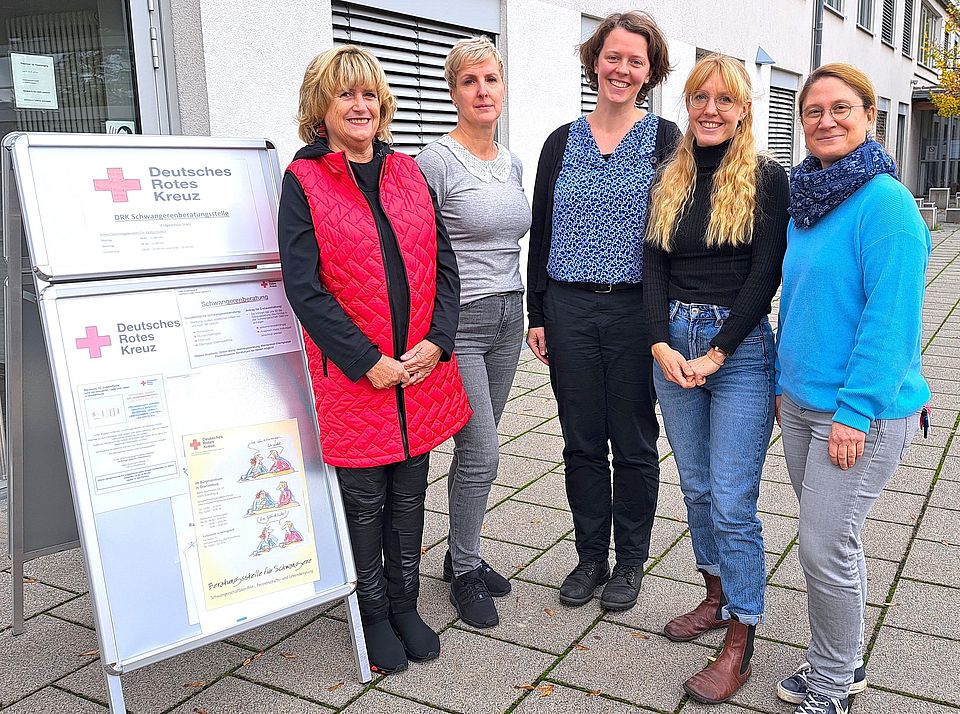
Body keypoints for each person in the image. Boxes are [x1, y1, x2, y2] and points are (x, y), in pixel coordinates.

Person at [278, 45, 472, 675]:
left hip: (416, 369)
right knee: (365, 501)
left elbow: (444, 264)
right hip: (355, 377)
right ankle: (371, 613)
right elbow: (304, 287)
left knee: (410, 493)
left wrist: (437, 342)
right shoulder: (303, 180)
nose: (360, 106)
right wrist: (367, 361)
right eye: (346, 95)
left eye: (369, 95)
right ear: (321, 106)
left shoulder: (408, 171)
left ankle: (406, 603)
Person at [774, 63, 931, 714]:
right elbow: (806, 302)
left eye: (842, 108)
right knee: (835, 541)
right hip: (803, 403)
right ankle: (845, 659)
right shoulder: (808, 199)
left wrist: (854, 413)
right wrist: (784, 385)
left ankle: (833, 687)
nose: (826, 120)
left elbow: (889, 318)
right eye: (813, 111)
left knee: (821, 545)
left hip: (855, 413)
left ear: (870, 117)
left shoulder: (885, 203)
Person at [643, 54, 789, 703]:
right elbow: (651, 268)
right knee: (698, 487)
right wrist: (658, 344)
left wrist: (718, 353)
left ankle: (741, 639)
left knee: (732, 500)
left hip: (740, 352)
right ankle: (715, 595)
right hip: (673, 345)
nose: (710, 108)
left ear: (743, 109)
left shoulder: (765, 177)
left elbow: (766, 273)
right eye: (700, 97)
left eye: (724, 100)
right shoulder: (667, 176)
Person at [527, 11, 680, 612]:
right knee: (582, 439)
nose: (621, 69)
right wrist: (537, 311)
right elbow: (542, 230)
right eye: (612, 56)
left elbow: (670, 234)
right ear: (595, 61)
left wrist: (662, 320)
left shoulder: (667, 140)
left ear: (650, 72)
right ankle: (590, 556)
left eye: (634, 61)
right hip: (568, 307)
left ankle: (631, 562)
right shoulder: (561, 140)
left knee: (636, 440)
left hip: (633, 312)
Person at [416, 36, 531, 629]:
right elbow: (416, 248)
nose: (482, 91)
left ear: (503, 87)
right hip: (460, 322)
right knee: (482, 449)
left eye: (491, 79)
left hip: (509, 315)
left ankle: (462, 551)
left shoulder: (510, 162)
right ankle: (464, 570)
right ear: (453, 90)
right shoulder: (435, 161)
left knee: (477, 448)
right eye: (469, 81)